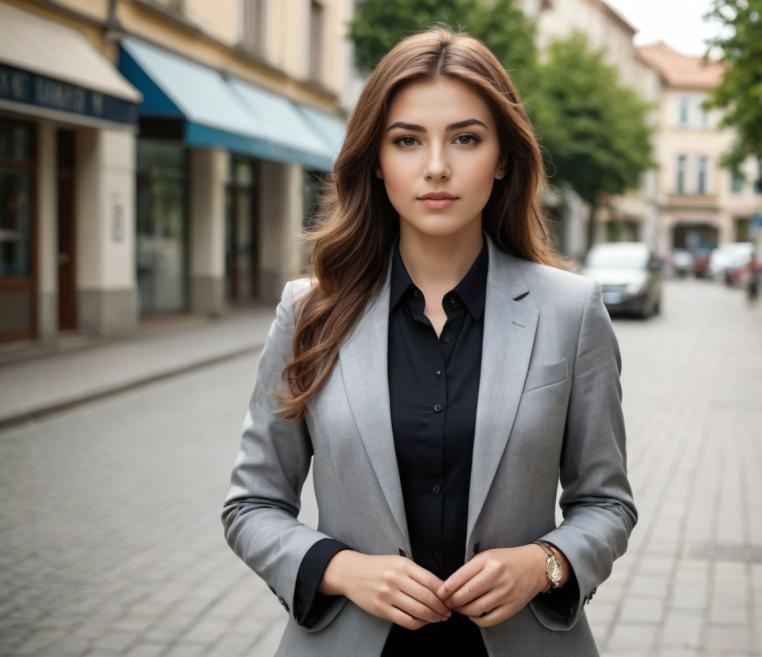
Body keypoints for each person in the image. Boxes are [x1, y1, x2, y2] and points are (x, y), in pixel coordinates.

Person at [221, 26, 636, 657]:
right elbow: (251, 505)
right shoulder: (309, 311)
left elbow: (606, 504)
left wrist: (544, 563)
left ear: (501, 159)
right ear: (377, 160)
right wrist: (339, 568)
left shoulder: (571, 312)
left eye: (465, 138)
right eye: (407, 140)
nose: (436, 165)